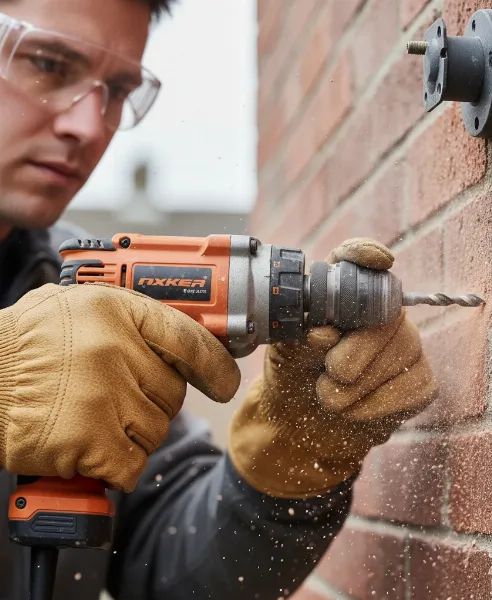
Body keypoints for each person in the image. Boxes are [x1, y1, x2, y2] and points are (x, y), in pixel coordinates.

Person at [0, 0, 438, 598]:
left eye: (119, 90)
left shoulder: (70, 284)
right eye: (49, 64)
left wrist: (287, 465)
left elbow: (172, 565)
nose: (88, 123)